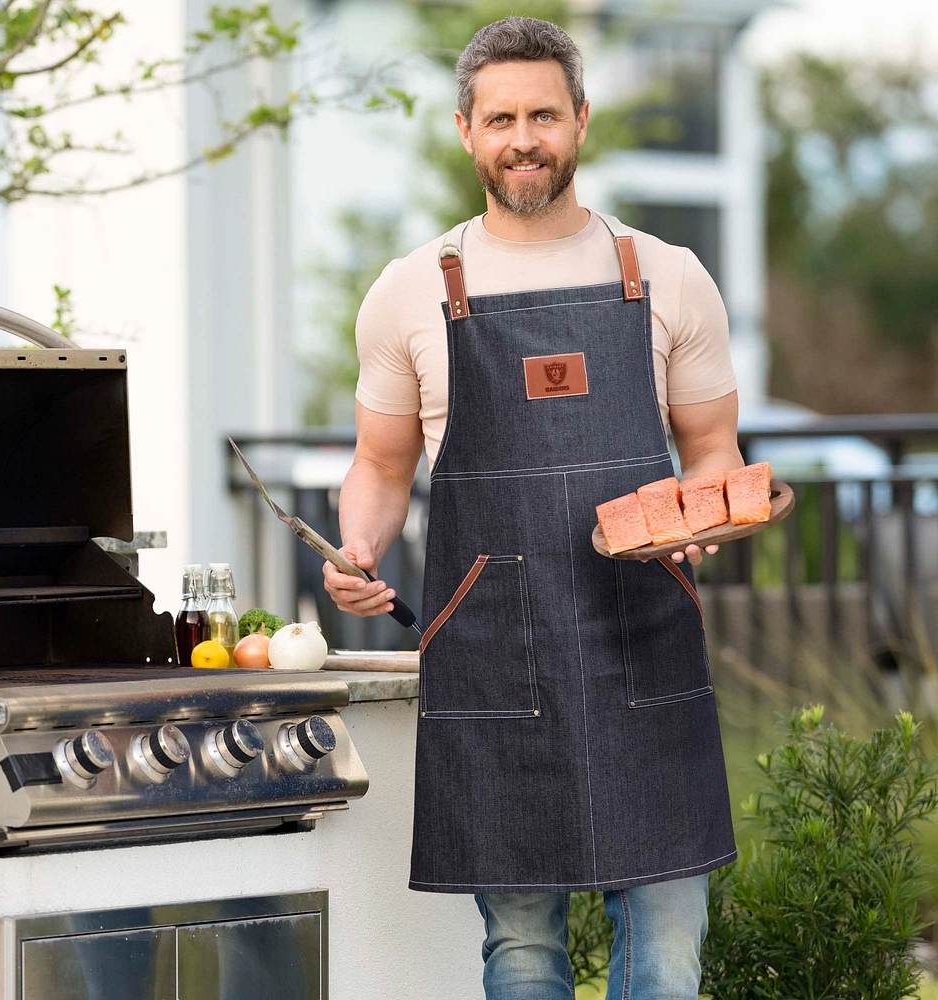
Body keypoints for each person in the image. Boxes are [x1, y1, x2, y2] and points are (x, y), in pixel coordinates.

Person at [323, 16, 741, 999]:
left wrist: (705, 517)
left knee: (669, 952)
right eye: (502, 117)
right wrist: (356, 544)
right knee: (518, 954)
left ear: (581, 122)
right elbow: (380, 465)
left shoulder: (665, 274)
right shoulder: (410, 291)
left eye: (544, 114)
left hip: (644, 634)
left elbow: (715, 452)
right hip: (492, 653)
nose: (524, 138)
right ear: (465, 130)